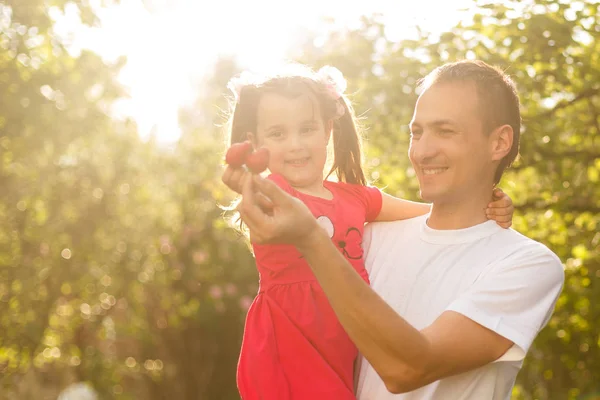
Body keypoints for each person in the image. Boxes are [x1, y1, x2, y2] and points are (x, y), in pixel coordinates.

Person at [228, 60, 564, 399]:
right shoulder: (364, 239)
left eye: (445, 131)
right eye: (416, 133)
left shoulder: (525, 264)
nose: (422, 151)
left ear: (499, 142)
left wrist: (311, 238)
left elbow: (410, 367)